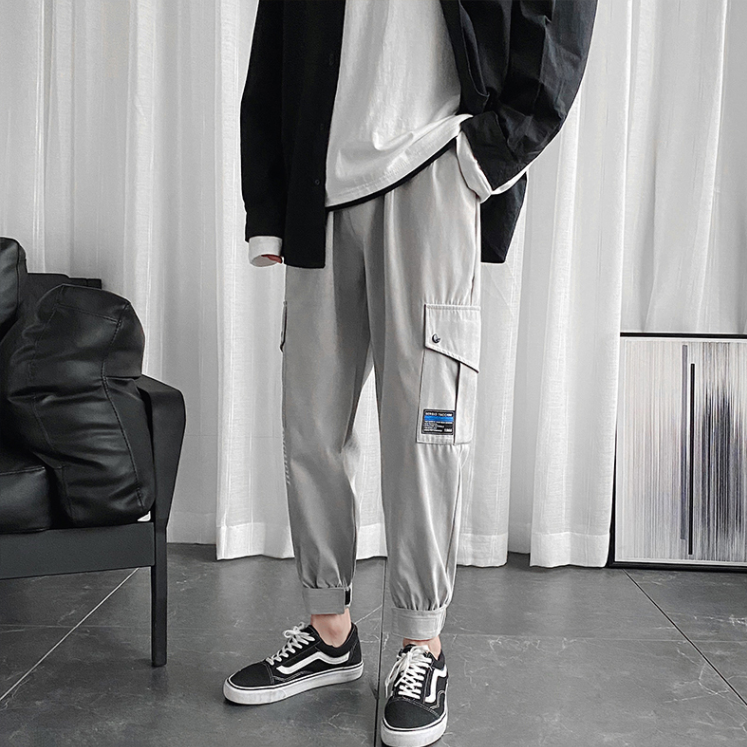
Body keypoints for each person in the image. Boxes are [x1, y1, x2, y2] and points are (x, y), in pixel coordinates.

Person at [224, 1, 598, 745]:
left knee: (424, 426)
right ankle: (330, 633)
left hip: (433, 168)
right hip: (319, 185)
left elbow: (559, 16)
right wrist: (267, 202)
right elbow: (272, 50)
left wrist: (488, 154)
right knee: (310, 425)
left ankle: (421, 643)